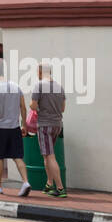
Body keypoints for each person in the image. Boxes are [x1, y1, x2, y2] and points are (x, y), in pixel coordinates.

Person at [0, 59, 31, 196]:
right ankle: (25, 182)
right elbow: (23, 107)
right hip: (14, 127)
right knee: (17, 157)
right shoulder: (16, 87)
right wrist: (24, 125)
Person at [31, 62, 68, 198]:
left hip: (45, 125)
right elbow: (63, 108)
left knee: (50, 156)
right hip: (57, 124)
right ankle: (49, 184)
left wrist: (34, 105)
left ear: (41, 72)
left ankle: (60, 188)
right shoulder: (59, 86)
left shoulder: (39, 85)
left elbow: (33, 106)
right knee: (47, 155)